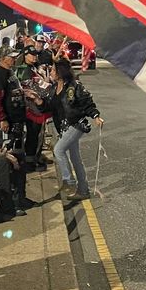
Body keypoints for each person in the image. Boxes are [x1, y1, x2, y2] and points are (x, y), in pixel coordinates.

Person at [29, 58, 102, 201]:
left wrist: (96, 116)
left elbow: (86, 102)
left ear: (61, 72)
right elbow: (49, 107)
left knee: (58, 150)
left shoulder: (74, 86)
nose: (51, 73)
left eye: (54, 70)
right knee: (75, 158)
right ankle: (83, 190)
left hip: (75, 124)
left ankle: (68, 181)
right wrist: (38, 100)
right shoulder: (54, 87)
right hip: (62, 127)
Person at [0, 47, 27, 153]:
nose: (14, 59)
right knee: (10, 147)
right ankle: (12, 166)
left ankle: (19, 164)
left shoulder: (9, 71)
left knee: (18, 144)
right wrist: (2, 119)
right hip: (9, 118)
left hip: (16, 116)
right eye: (11, 57)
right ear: (2, 58)